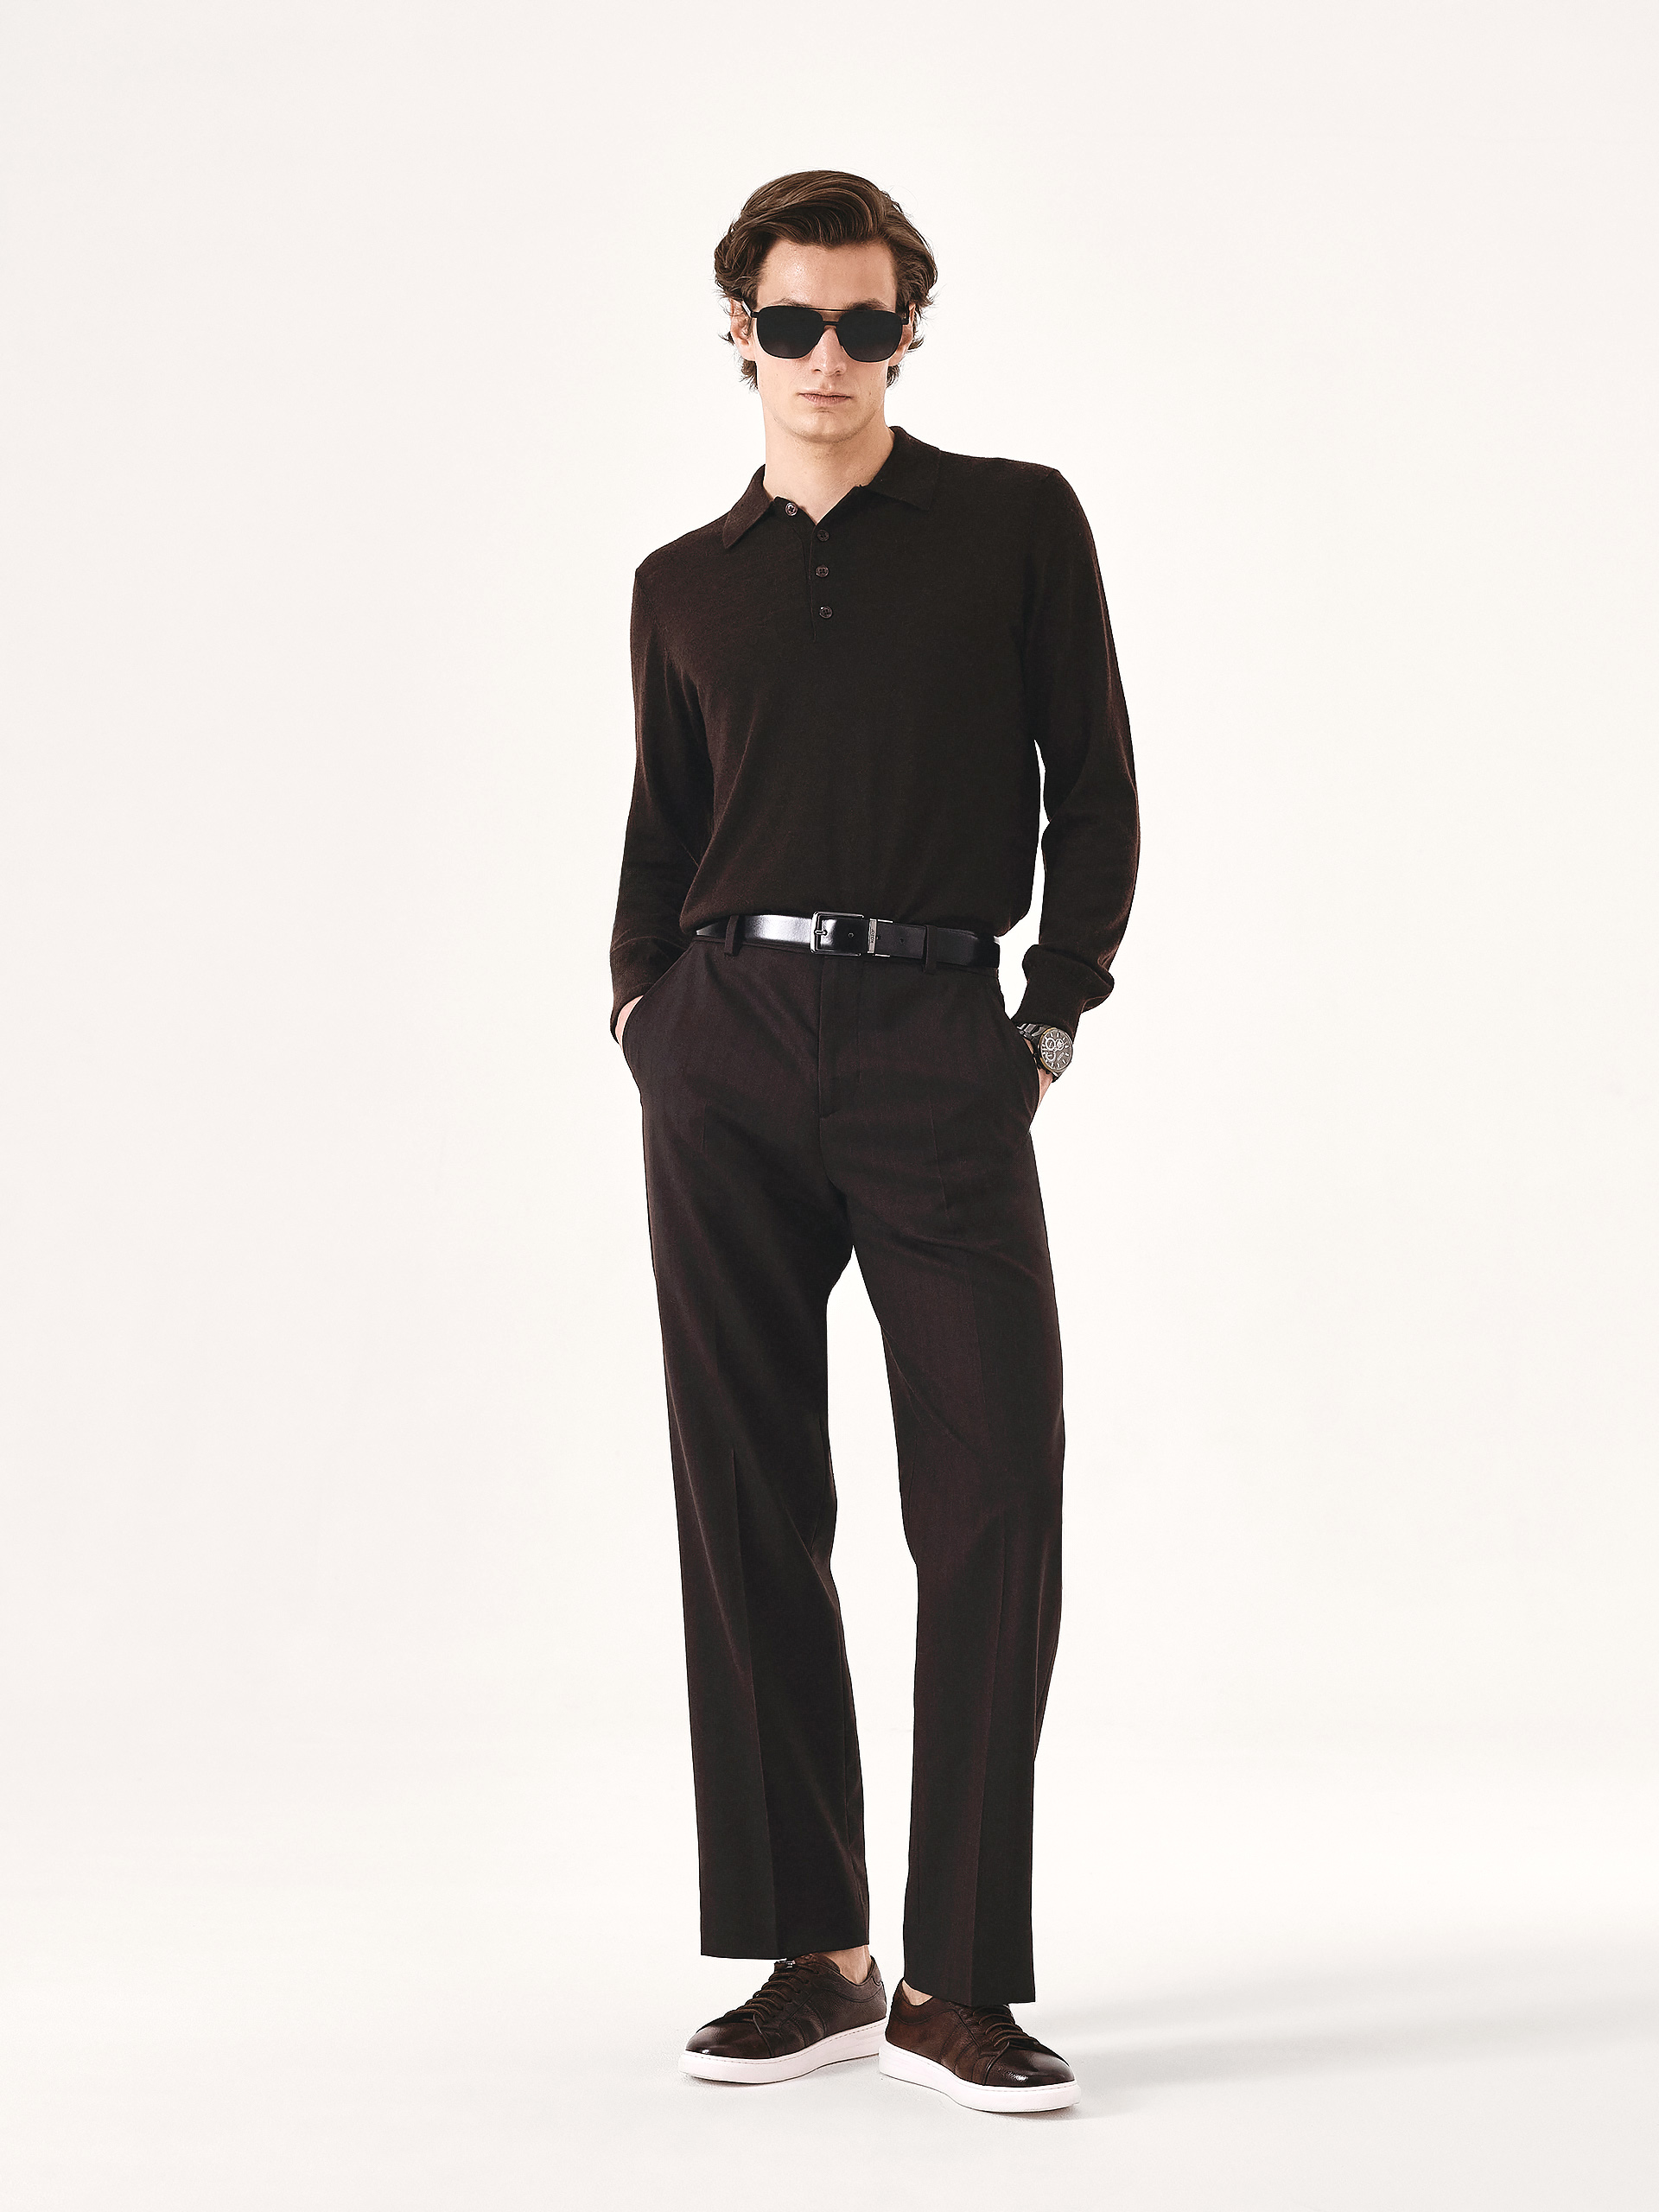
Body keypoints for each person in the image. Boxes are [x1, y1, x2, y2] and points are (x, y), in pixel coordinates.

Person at [607, 170, 1139, 2114]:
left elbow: (1095, 781)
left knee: (993, 1490)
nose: (825, 357)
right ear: (739, 334)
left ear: (910, 332)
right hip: (725, 1044)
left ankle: (959, 1978)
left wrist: (1047, 1016)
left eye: (862, 323)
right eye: (791, 322)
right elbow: (664, 825)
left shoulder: (1014, 522)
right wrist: (646, 1015)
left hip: (937, 1037)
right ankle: (815, 1953)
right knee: (746, 1490)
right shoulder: (684, 581)